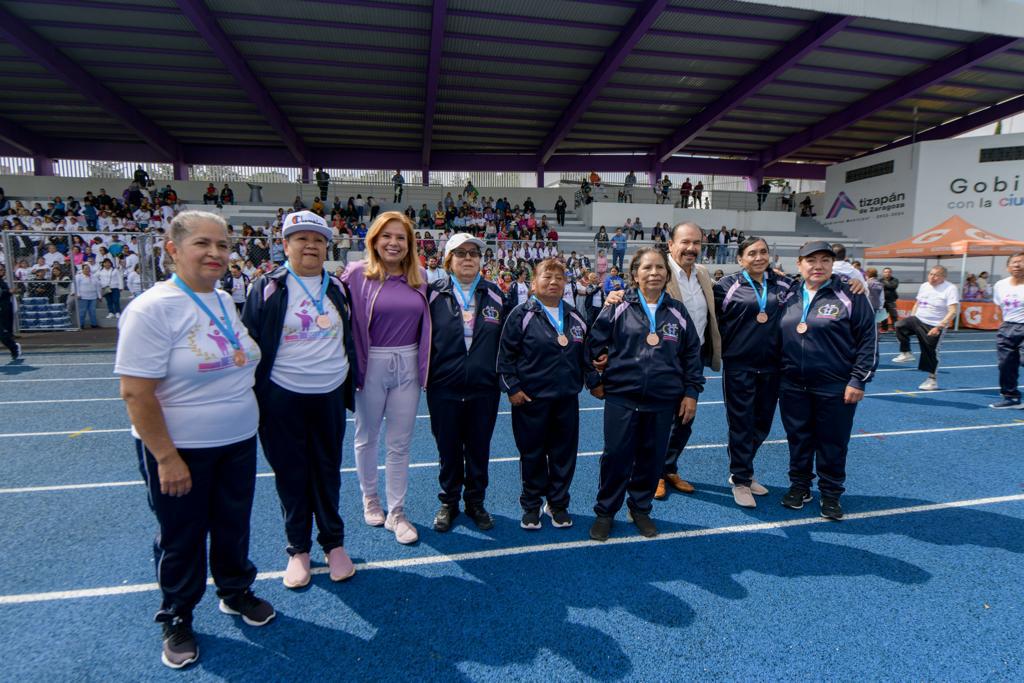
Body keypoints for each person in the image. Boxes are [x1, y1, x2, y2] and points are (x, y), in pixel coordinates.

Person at [115, 211, 274, 670]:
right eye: (203, 244)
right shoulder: (151, 308)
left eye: (223, 245)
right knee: (181, 535)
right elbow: (135, 392)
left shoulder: (224, 301)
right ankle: (178, 614)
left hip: (238, 439)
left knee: (232, 521)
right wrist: (165, 456)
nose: (216, 254)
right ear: (172, 249)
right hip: (180, 449)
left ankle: (234, 589)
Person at [242, 210, 357, 588]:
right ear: (286, 244)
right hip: (281, 397)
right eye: (301, 238)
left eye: (318, 239)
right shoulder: (267, 287)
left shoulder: (338, 287)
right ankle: (298, 549)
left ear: (327, 246)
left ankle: (333, 543)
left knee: (327, 471)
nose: (310, 245)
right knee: (291, 474)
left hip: (328, 396)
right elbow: (254, 341)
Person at [586, 247, 704, 540]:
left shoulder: (677, 310)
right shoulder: (617, 306)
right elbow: (590, 345)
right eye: (647, 268)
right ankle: (605, 511)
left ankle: (640, 508)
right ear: (635, 275)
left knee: (652, 458)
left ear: (666, 274)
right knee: (616, 457)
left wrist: (691, 392)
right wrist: (594, 381)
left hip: (663, 400)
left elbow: (692, 354)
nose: (654, 273)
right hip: (622, 397)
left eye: (659, 268)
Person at [607, 222, 721, 498]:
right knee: (656, 422)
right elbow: (634, 292)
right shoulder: (659, 271)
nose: (691, 248)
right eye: (685, 242)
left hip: (692, 359)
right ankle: (653, 472)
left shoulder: (704, 274)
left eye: (696, 243)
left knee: (685, 418)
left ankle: (668, 466)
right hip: (659, 359)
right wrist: (614, 295)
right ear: (671, 244)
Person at [341, 211, 430, 545]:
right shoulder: (355, 275)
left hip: (407, 365)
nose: (393, 243)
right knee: (367, 436)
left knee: (400, 442)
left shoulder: (419, 276)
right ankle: (370, 498)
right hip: (372, 364)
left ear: (409, 244)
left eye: (401, 238)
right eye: (386, 236)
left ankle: (397, 511)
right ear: (374, 240)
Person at [777, 241, 877, 520]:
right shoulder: (788, 294)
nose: (817, 266)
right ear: (799, 265)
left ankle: (831, 493)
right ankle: (800, 486)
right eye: (810, 260)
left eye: (824, 260)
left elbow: (869, 339)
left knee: (832, 442)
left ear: (833, 264)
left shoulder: (851, 294)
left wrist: (859, 380)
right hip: (793, 384)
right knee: (798, 439)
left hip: (835, 385)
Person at [498, 259, 592, 530]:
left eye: (559, 278)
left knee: (564, 455)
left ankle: (558, 503)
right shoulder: (521, 314)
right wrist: (512, 388)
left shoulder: (575, 316)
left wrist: (596, 380)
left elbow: (586, 357)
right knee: (532, 454)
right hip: (530, 400)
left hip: (566, 399)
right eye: (547, 277)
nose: (553, 282)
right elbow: (505, 357)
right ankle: (531, 504)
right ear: (533, 283)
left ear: (565, 283)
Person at [427, 234, 507, 532]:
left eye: (474, 252)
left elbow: (509, 340)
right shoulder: (432, 293)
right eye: (460, 253)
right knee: (447, 448)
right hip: (444, 386)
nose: (468, 258)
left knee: (478, 448)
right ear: (449, 260)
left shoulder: (496, 294)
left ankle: (476, 502)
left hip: (483, 388)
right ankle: (449, 502)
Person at [713, 237, 794, 507]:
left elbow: (815, 288)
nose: (759, 257)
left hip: (773, 367)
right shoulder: (726, 286)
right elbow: (705, 314)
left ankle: (742, 468)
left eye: (763, 252)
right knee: (741, 424)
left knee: (762, 424)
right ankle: (741, 479)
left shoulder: (785, 284)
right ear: (740, 259)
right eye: (752, 253)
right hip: (740, 366)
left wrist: (848, 281)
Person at [892, 265, 959, 390]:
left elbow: (953, 311)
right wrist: (912, 318)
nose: (932, 277)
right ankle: (906, 353)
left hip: (934, 324)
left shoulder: (950, 288)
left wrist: (939, 326)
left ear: (943, 277)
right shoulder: (924, 286)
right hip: (918, 319)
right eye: (931, 274)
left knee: (930, 352)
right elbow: (917, 303)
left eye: (936, 275)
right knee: (900, 325)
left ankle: (932, 380)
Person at [990, 252, 1024, 409]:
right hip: (1007, 327)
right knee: (1005, 364)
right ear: (1008, 267)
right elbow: (998, 306)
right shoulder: (1000, 285)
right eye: (1014, 262)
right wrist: (1002, 325)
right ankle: (1011, 397)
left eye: (1021, 262)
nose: (1017, 265)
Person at [0, 264, 20, 360]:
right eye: (0, 270)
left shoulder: (2, 282)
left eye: (3, 270)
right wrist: (9, 291)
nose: (2, 271)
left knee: (3, 333)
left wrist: (9, 292)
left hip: (4, 309)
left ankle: (14, 347)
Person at [75, 263, 101, 328]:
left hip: (93, 296)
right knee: (82, 311)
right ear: (82, 269)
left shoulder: (94, 276)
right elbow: (76, 286)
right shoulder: (78, 276)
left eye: (88, 268)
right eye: (86, 269)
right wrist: (78, 294)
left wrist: (99, 296)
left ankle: (94, 324)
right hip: (83, 296)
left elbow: (98, 286)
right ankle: (81, 325)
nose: (87, 270)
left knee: (92, 311)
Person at [880, 267, 900, 332]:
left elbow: (893, 286)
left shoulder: (895, 280)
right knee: (883, 317)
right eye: (885, 272)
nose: (887, 273)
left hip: (891, 301)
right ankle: (884, 329)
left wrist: (884, 284)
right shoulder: (879, 280)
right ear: (883, 273)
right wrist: (887, 285)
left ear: (891, 273)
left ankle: (895, 329)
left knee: (894, 316)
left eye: (889, 272)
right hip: (882, 302)